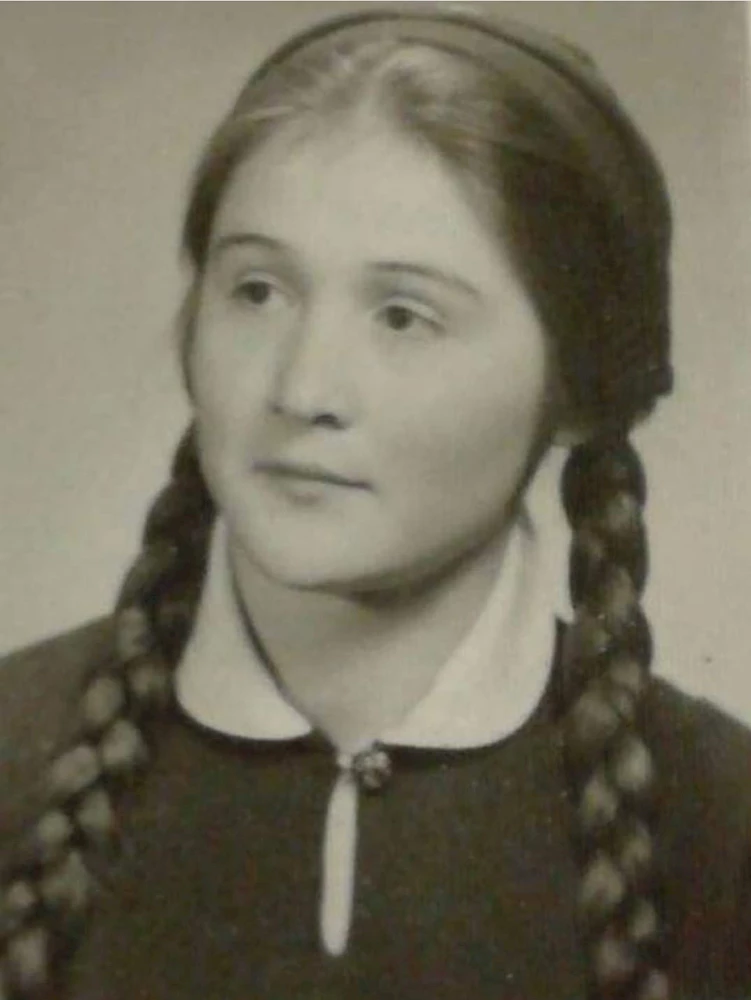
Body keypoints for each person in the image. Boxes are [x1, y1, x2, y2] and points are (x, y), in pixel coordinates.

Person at [0, 6, 749, 999]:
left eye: (403, 315)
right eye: (257, 291)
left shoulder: (720, 821)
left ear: (576, 389)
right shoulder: (17, 748)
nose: (301, 388)